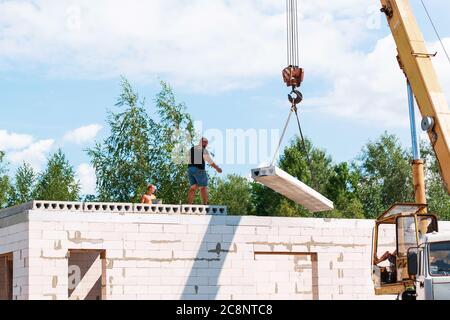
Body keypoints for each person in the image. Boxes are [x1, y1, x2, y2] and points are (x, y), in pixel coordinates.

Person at [187, 137, 222, 205]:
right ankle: (205, 204)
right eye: (205, 142)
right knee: (203, 187)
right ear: (201, 142)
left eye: (206, 143)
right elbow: (209, 160)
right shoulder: (203, 150)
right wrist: (217, 168)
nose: (206, 144)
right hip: (199, 169)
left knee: (193, 187)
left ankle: (190, 204)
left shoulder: (192, 149)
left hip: (190, 169)